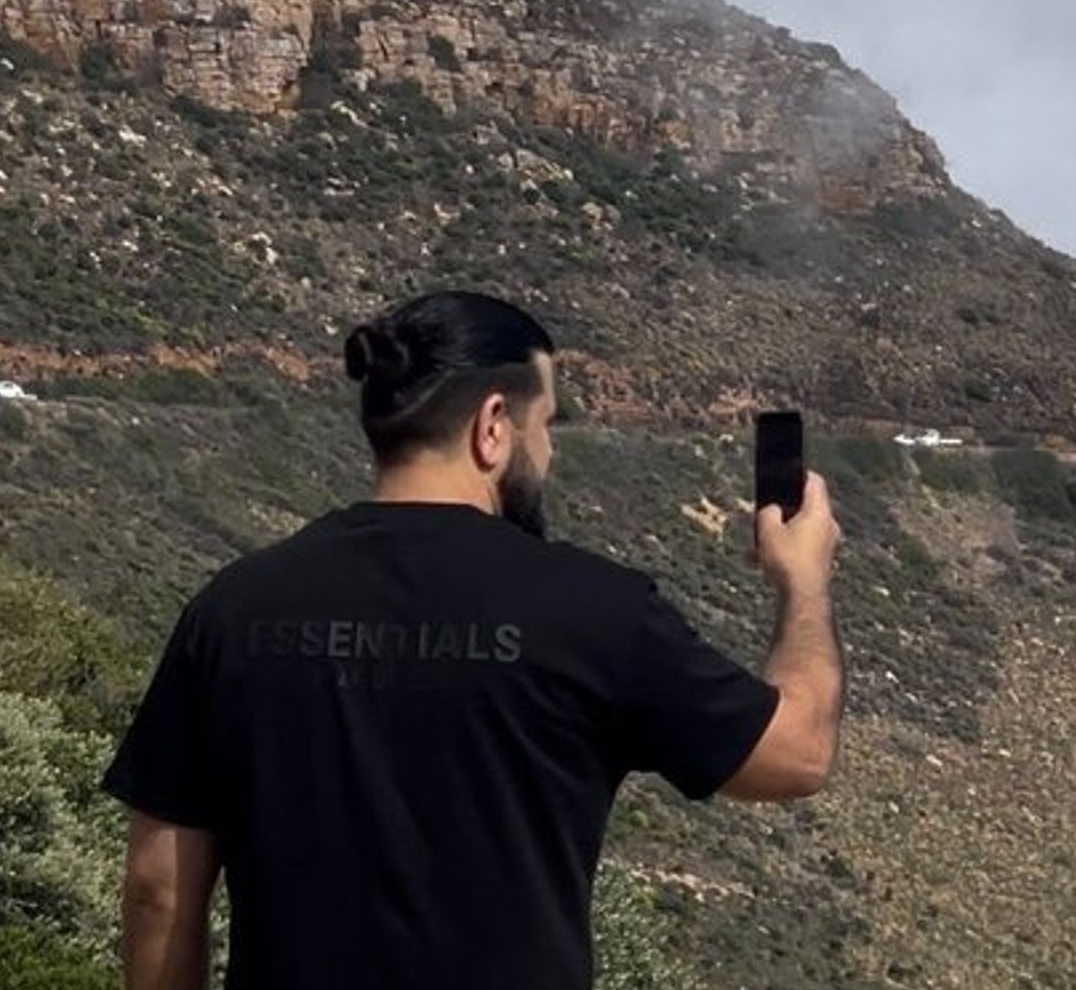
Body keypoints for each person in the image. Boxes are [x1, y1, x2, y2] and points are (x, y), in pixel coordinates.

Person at [101, 289, 845, 989]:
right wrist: (802, 581)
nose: (548, 454)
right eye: (545, 425)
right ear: (493, 427)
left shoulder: (233, 609)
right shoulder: (594, 612)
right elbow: (797, 754)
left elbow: (158, 890)